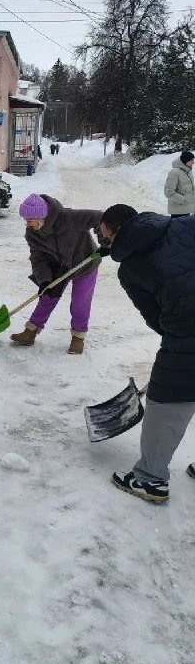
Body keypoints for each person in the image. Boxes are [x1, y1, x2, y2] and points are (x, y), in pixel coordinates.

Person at [99, 204, 195, 503]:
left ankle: (150, 479)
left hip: (187, 336)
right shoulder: (185, 223)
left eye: (106, 237)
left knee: (167, 404)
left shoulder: (131, 269)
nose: (105, 242)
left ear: (116, 232)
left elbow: (156, 319)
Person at [10, 193, 102, 355]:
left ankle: (78, 338)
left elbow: (100, 218)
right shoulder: (32, 234)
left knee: (80, 301)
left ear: (40, 217)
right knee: (47, 295)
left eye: (29, 220)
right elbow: (38, 259)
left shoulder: (69, 217)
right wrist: (44, 281)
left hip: (85, 263)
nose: (27, 224)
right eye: (26, 220)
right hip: (59, 266)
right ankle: (30, 332)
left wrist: (105, 240)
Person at [163, 151, 195, 217]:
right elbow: (168, 192)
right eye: (191, 160)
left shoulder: (188, 171)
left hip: (187, 209)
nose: (193, 162)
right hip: (178, 211)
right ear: (185, 161)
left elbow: (189, 188)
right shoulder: (174, 172)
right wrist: (184, 200)